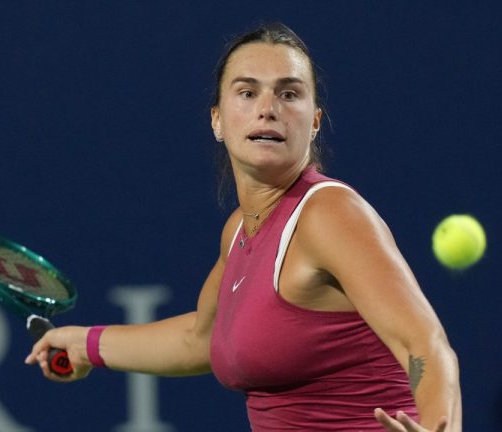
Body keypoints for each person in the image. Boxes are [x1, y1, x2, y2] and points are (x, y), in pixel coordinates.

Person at [26, 22, 462, 432]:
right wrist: (86, 343)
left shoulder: (330, 213)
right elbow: (200, 338)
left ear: (314, 122)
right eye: (247, 92)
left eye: (289, 94)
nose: (268, 109)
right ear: (217, 119)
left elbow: (425, 344)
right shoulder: (240, 229)